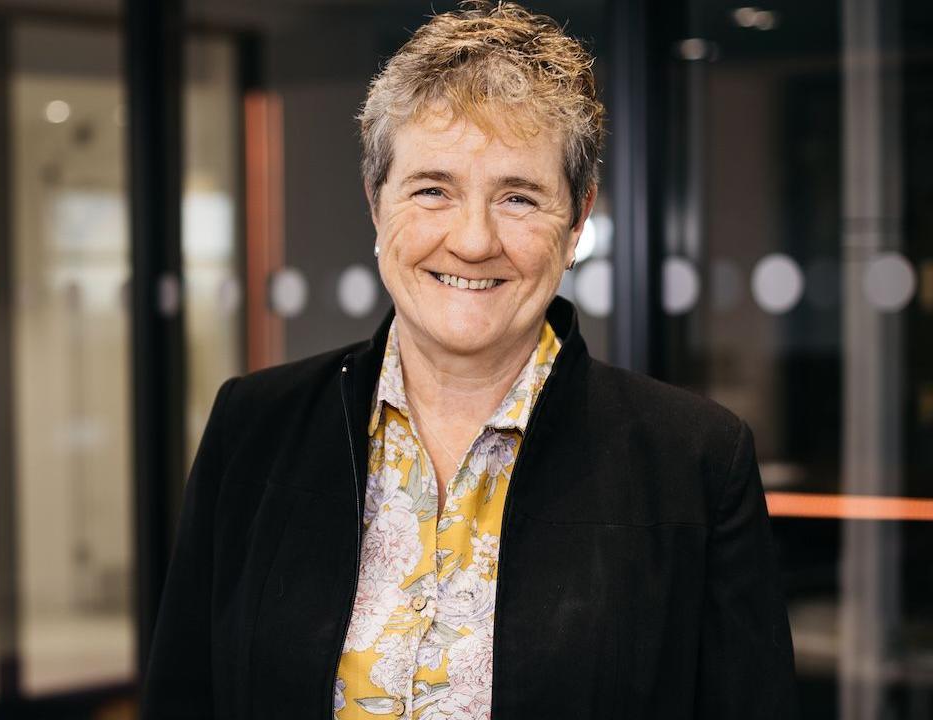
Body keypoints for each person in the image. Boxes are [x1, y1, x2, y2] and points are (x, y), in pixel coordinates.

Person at [140, 2, 798, 718]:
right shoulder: (253, 428)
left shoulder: (695, 462)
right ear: (375, 203)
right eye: (433, 190)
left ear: (577, 220)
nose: (474, 240)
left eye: (518, 197)